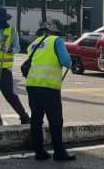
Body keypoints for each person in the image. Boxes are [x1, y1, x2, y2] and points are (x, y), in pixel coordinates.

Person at [26, 26, 74, 161]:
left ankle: (39, 151)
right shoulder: (56, 41)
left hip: (32, 84)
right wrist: (70, 63)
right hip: (48, 86)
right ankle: (59, 152)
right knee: (55, 120)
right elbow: (65, 61)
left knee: (36, 118)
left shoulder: (35, 43)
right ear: (55, 33)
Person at [0, 7, 31, 127]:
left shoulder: (12, 31)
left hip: (4, 69)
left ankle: (23, 116)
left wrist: (9, 49)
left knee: (9, 94)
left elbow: (17, 48)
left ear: (4, 20)